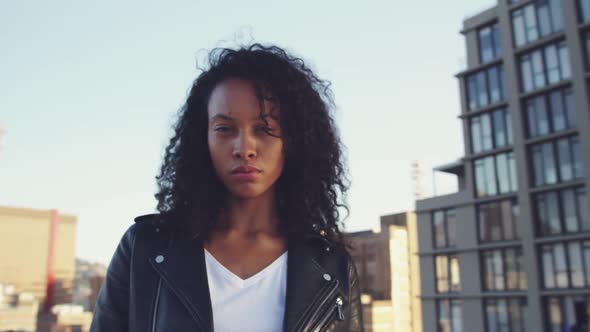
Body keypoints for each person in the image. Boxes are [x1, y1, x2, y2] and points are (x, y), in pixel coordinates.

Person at [90, 43, 362, 332]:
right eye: (224, 129)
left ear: (295, 141)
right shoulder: (143, 249)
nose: (244, 148)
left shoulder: (331, 267)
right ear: (202, 139)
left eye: (265, 129)